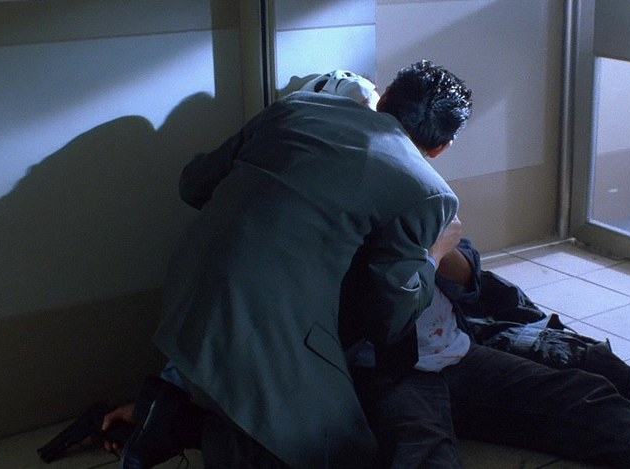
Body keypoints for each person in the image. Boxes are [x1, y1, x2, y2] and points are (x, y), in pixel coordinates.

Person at [102, 60, 473, 469]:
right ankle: (197, 423)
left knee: (268, 419)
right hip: (268, 338)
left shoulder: (296, 108)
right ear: (442, 147)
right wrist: (436, 252)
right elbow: (390, 319)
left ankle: (177, 416)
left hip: (186, 300)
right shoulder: (427, 189)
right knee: (341, 450)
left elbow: (194, 185)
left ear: (384, 97)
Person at [347, 237, 630, 469]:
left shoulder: (422, 195)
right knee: (422, 453)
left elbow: (469, 283)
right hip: (388, 369)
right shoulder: (329, 219)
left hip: (457, 351)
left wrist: (438, 245)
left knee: (586, 394)